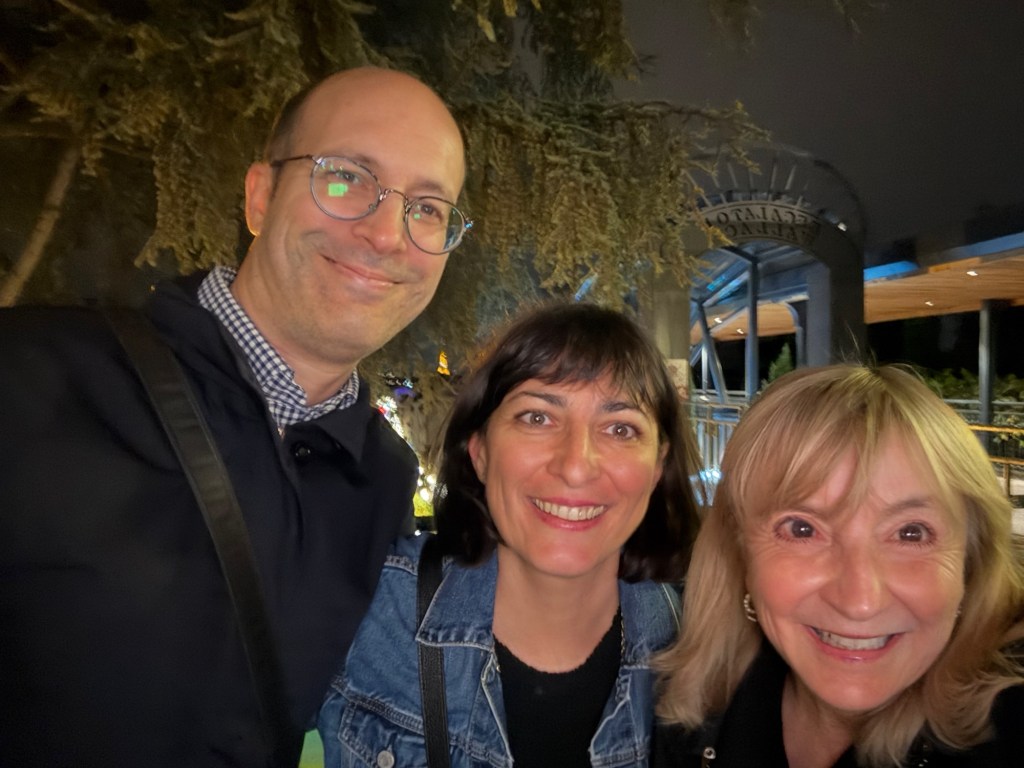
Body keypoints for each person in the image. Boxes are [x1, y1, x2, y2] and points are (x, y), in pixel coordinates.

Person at [0, 67, 470, 767]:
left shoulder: (382, 479)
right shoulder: (31, 378)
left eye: (427, 208)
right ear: (259, 197)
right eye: (346, 178)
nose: (386, 235)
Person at [318, 302, 703, 767]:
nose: (576, 466)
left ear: (658, 466)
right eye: (537, 417)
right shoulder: (368, 608)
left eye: (620, 428)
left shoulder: (698, 647)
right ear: (479, 451)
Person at [653, 364, 1024, 768]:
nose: (860, 602)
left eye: (911, 533)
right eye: (802, 529)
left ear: (972, 563)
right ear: (741, 554)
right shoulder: (694, 714)